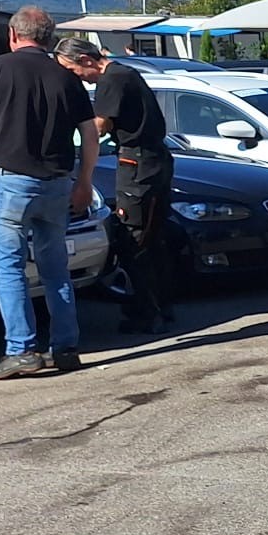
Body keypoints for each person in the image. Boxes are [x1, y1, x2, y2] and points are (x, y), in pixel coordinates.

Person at [0, 7, 99, 379]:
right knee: (56, 271)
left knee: (10, 269)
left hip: (11, 183)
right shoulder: (68, 78)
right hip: (57, 184)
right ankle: (65, 347)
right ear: (48, 38)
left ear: (13, 35)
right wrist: (83, 181)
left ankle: (21, 350)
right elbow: (91, 134)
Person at [55, 37, 175, 334]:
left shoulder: (113, 78)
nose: (75, 78)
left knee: (133, 240)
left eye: (71, 70)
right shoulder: (125, 73)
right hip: (153, 160)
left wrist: (65, 136)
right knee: (154, 237)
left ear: (85, 60)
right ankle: (162, 306)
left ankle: (148, 313)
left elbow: (99, 125)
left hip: (137, 164)